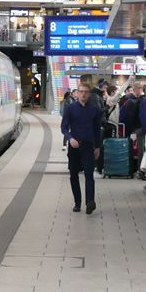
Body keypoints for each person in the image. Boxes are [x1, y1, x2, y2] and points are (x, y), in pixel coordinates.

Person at [61, 83, 102, 214]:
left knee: (89, 174)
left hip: (88, 146)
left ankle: (90, 202)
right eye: (81, 91)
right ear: (77, 93)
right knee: (73, 175)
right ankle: (77, 203)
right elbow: (64, 127)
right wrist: (70, 138)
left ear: (89, 94)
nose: (83, 94)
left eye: (86, 92)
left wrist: (97, 147)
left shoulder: (95, 110)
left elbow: (97, 130)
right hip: (74, 146)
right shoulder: (70, 109)